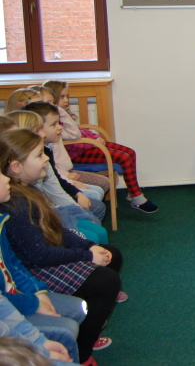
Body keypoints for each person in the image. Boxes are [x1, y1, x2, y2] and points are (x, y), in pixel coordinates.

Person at [0, 129, 123, 365]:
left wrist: (89, 247)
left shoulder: (29, 190)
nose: (46, 158)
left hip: (40, 259)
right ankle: (83, 351)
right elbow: (38, 256)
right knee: (106, 281)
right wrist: (86, 255)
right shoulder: (15, 203)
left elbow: (55, 230)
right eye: (39, 155)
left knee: (111, 254)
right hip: (37, 268)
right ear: (16, 167)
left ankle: (91, 325)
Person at [1, 163, 85, 365]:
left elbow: (14, 266)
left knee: (76, 312)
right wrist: (38, 344)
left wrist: (37, 293)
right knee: (66, 331)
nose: (6, 178)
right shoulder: (14, 208)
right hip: (14, 309)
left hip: (16, 301)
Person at [42, 80, 158, 214]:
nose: (66, 100)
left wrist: (95, 137)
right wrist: (93, 141)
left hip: (86, 147)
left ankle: (133, 192)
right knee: (123, 157)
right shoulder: (54, 123)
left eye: (67, 96)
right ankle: (136, 197)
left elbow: (79, 131)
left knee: (130, 152)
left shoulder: (62, 116)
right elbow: (74, 138)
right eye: (62, 97)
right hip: (76, 153)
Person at [5, 109, 107, 244]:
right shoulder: (16, 192)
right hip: (51, 217)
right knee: (92, 231)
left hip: (54, 210)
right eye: (37, 130)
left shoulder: (42, 160)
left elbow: (56, 188)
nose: (43, 134)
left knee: (97, 227)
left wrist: (80, 211)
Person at [27, 87, 105, 204]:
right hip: (62, 180)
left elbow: (76, 132)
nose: (59, 127)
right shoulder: (45, 144)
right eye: (48, 103)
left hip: (65, 174)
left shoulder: (51, 138)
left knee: (100, 189)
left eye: (53, 103)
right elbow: (52, 180)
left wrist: (58, 111)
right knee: (95, 196)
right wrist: (71, 182)